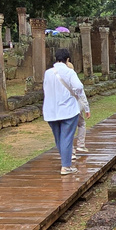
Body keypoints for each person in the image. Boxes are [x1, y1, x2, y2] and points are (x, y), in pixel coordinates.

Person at [43, 48, 88, 176]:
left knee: (59, 138)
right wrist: (74, 95)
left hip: (51, 110)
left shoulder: (48, 73)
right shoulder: (69, 72)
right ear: (67, 59)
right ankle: (66, 166)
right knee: (67, 137)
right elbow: (79, 87)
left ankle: (65, 162)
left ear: (56, 58)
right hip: (68, 109)